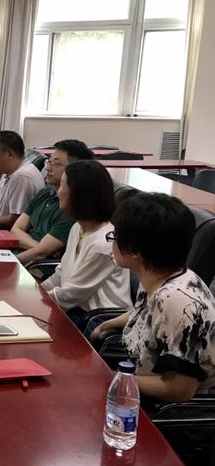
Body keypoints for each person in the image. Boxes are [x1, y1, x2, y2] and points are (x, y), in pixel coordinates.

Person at [91, 193, 215, 402]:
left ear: (134, 251)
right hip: (140, 379)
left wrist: (114, 378)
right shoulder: (158, 273)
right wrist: (107, 324)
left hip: (169, 411)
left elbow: (179, 390)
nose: (112, 243)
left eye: (114, 237)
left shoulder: (177, 302)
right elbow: (147, 312)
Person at [40, 160, 131, 323]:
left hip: (97, 320)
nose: (58, 192)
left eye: (62, 186)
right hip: (74, 310)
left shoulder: (104, 243)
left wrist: (35, 300)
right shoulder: (78, 227)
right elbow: (61, 274)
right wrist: (36, 291)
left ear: (78, 196)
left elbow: (71, 295)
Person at [12, 139, 94, 265]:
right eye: (49, 161)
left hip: (37, 267)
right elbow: (15, 229)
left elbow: (40, 254)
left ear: (74, 170)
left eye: (55, 163)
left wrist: (9, 262)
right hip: (18, 255)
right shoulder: (45, 192)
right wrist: (39, 246)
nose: (48, 168)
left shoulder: (72, 208)